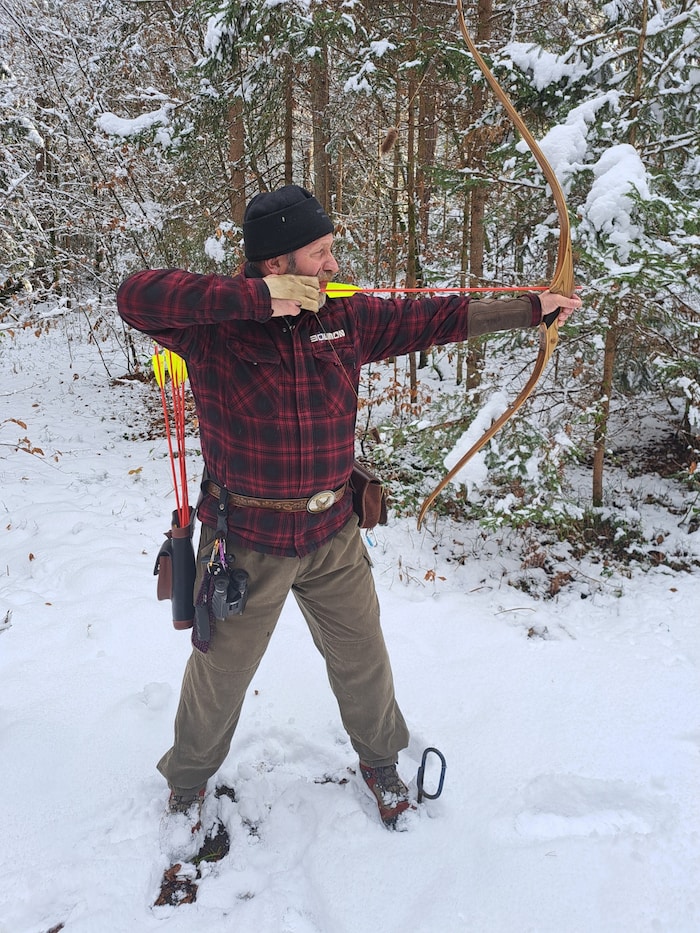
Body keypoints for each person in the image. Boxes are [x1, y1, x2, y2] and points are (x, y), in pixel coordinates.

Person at [117, 184, 580, 830]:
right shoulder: (213, 330)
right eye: (320, 253)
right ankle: (189, 780)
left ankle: (381, 761)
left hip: (334, 533)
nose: (334, 265)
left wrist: (533, 309)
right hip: (247, 541)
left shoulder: (346, 317)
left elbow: (436, 317)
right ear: (276, 265)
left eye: (332, 250)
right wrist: (257, 301)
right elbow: (134, 295)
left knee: (364, 657)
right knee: (218, 675)